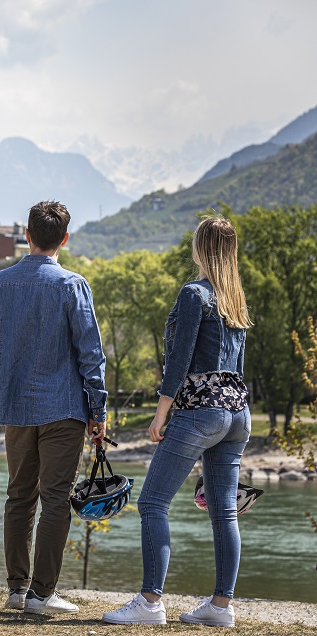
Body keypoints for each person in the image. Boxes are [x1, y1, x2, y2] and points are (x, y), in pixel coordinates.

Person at [102, 216, 253, 627]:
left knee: (152, 502)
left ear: (199, 249)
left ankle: (150, 603)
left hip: (200, 410)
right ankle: (221, 608)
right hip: (238, 412)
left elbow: (179, 360)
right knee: (224, 511)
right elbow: (237, 367)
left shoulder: (194, 295)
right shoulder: (234, 298)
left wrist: (161, 414)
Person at [0, 200, 107, 615]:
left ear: (27, 235)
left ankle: (17, 590)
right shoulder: (72, 285)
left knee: (18, 497)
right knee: (55, 499)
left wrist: (0, 390)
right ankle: (41, 594)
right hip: (63, 409)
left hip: (15, 408)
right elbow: (91, 356)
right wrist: (98, 412)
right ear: (64, 238)